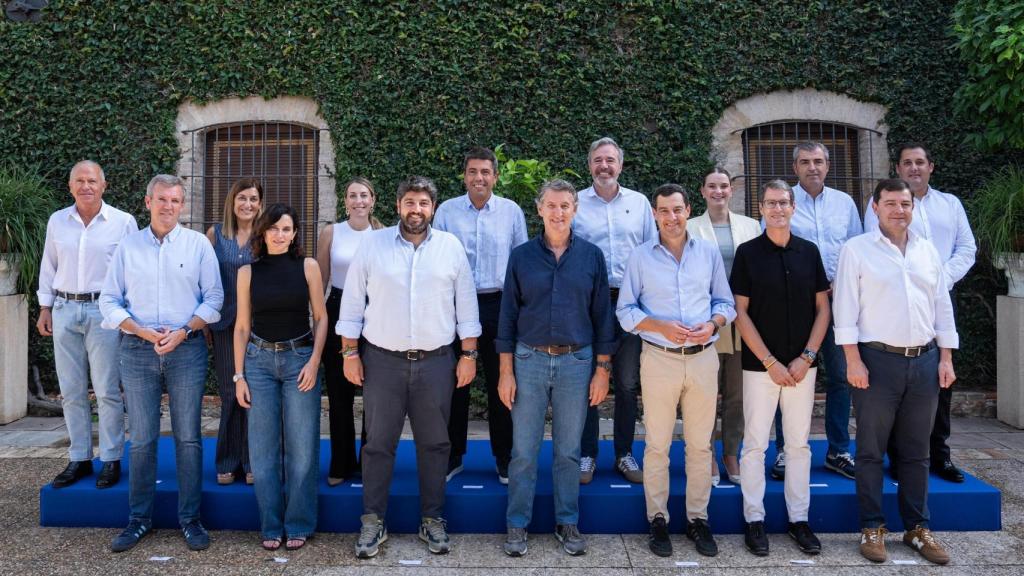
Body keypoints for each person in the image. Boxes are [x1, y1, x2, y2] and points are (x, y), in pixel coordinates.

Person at [339, 176, 480, 559]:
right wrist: (349, 352)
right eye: (409, 202)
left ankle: (432, 519)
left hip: (437, 363)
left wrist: (468, 356)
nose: (416, 210)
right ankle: (372, 521)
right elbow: (351, 304)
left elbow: (466, 306)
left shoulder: (450, 248)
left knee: (435, 444)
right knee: (377, 445)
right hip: (382, 362)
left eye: (423, 203)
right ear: (398, 204)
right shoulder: (373, 245)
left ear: (432, 208)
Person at [834, 179, 958, 565]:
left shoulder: (927, 251)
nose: (898, 210)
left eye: (904, 203)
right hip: (876, 361)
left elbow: (942, 306)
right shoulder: (856, 250)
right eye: (890, 203)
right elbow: (845, 310)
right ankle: (872, 527)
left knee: (917, 452)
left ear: (913, 207)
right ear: (875, 207)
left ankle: (918, 529)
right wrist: (852, 361)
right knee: (870, 451)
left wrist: (946, 357)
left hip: (924, 360)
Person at [100, 174, 223, 553]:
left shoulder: (198, 244)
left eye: (175, 200)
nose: (168, 206)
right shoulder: (128, 246)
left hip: (185, 349)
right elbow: (109, 301)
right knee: (142, 440)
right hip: (137, 349)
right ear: (147, 201)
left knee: (188, 437)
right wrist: (142, 331)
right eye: (161, 199)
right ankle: (139, 519)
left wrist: (184, 331)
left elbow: (214, 298)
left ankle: (190, 519)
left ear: (181, 205)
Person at [616, 183, 735, 558]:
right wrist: (658, 326)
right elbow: (625, 312)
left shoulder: (708, 253)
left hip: (702, 358)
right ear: (654, 214)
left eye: (677, 210)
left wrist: (713, 324)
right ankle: (658, 520)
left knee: (701, 445)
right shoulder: (639, 257)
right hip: (659, 358)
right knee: (657, 444)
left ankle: (698, 519)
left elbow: (726, 303)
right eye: (664, 211)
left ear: (688, 211)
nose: (671, 217)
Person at [498, 179, 615, 557]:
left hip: (577, 361)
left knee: (568, 450)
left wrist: (602, 369)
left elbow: (602, 317)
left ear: (575, 210)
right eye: (551, 205)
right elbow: (507, 316)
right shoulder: (521, 256)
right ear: (539, 209)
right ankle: (517, 524)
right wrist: (505, 370)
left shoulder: (592, 257)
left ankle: (567, 521)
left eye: (566, 205)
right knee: (523, 451)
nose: (558, 212)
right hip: (528, 359)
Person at [864, 144, 976, 483]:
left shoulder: (950, 205)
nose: (914, 168)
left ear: (931, 166)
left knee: (940, 380)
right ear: (898, 168)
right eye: (907, 163)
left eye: (920, 162)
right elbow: (873, 244)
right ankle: (900, 458)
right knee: (899, 382)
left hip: (938, 302)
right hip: (893, 304)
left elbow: (967, 248)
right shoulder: (880, 204)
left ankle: (939, 456)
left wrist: (939, 279)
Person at [732, 180, 830, 557]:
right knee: (755, 445)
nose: (777, 209)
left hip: (803, 367)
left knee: (798, 445)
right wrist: (771, 362)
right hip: (761, 367)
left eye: (783, 203)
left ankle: (798, 520)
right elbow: (740, 312)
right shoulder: (747, 253)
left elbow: (823, 309)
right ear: (761, 208)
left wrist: (806, 357)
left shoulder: (810, 252)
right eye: (770, 203)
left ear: (793, 207)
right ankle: (754, 520)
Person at [37, 160, 137, 490]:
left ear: (104, 185)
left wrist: (129, 316)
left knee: (108, 390)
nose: (86, 186)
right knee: (71, 390)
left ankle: (110, 459)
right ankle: (79, 457)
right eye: (79, 180)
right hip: (65, 308)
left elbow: (133, 272)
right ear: (70, 186)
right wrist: (45, 307)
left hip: (103, 313)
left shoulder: (123, 223)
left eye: (92, 180)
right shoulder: (57, 221)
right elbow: (48, 266)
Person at [233, 203, 328, 552]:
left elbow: (320, 317)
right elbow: (242, 327)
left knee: (302, 449)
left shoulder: (308, 267)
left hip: (299, 359)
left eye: (286, 229)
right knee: (262, 451)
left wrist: (315, 361)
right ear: (263, 231)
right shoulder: (247, 272)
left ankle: (299, 522)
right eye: (273, 228)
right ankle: (271, 524)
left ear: (295, 233)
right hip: (257, 362)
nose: (279, 234)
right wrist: (239, 375)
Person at [434, 146, 528, 484]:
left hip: (499, 305)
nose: (479, 178)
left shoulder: (511, 212)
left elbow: (521, 263)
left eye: (485, 172)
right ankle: (453, 455)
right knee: (454, 382)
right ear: (464, 175)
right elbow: (436, 257)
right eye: (473, 171)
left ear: (495, 176)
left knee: (502, 384)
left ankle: (504, 457)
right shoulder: (445, 211)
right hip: (456, 305)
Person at [772, 141, 863, 482]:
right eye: (806, 162)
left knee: (841, 376)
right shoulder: (785, 201)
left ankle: (838, 450)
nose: (813, 167)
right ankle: (785, 450)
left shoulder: (844, 204)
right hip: (797, 304)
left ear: (828, 165)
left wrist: (844, 283)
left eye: (819, 161)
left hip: (840, 304)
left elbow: (857, 248)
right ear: (795, 167)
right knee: (792, 377)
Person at [573, 137, 655, 485]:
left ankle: (624, 452)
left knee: (626, 381)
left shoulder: (638, 203)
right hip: (589, 302)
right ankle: (587, 454)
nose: (604, 166)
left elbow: (653, 251)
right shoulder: (575, 202)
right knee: (589, 380)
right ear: (589, 164)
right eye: (597, 160)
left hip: (631, 302)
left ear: (620, 165)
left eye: (610, 160)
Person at [687, 167, 761, 486]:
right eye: (712, 186)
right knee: (704, 394)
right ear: (702, 191)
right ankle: (707, 456)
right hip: (705, 320)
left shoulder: (751, 226)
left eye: (724, 186)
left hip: (743, 319)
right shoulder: (689, 228)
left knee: (737, 394)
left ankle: (731, 453)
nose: (718, 191)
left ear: (732, 190)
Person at [315, 177, 383, 487]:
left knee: (374, 394)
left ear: (373, 200)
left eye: (364, 195)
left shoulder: (382, 234)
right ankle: (341, 462)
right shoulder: (331, 232)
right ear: (346, 201)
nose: (358, 200)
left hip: (375, 314)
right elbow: (320, 281)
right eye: (353, 195)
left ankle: (371, 462)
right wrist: (316, 321)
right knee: (340, 393)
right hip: (338, 308)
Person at [206, 177, 262, 486]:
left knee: (254, 392)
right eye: (242, 198)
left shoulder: (265, 235)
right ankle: (228, 460)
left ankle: (252, 459)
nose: (248, 204)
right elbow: (203, 279)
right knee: (230, 392)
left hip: (258, 327)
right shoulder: (216, 234)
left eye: (253, 199)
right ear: (232, 201)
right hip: (226, 326)